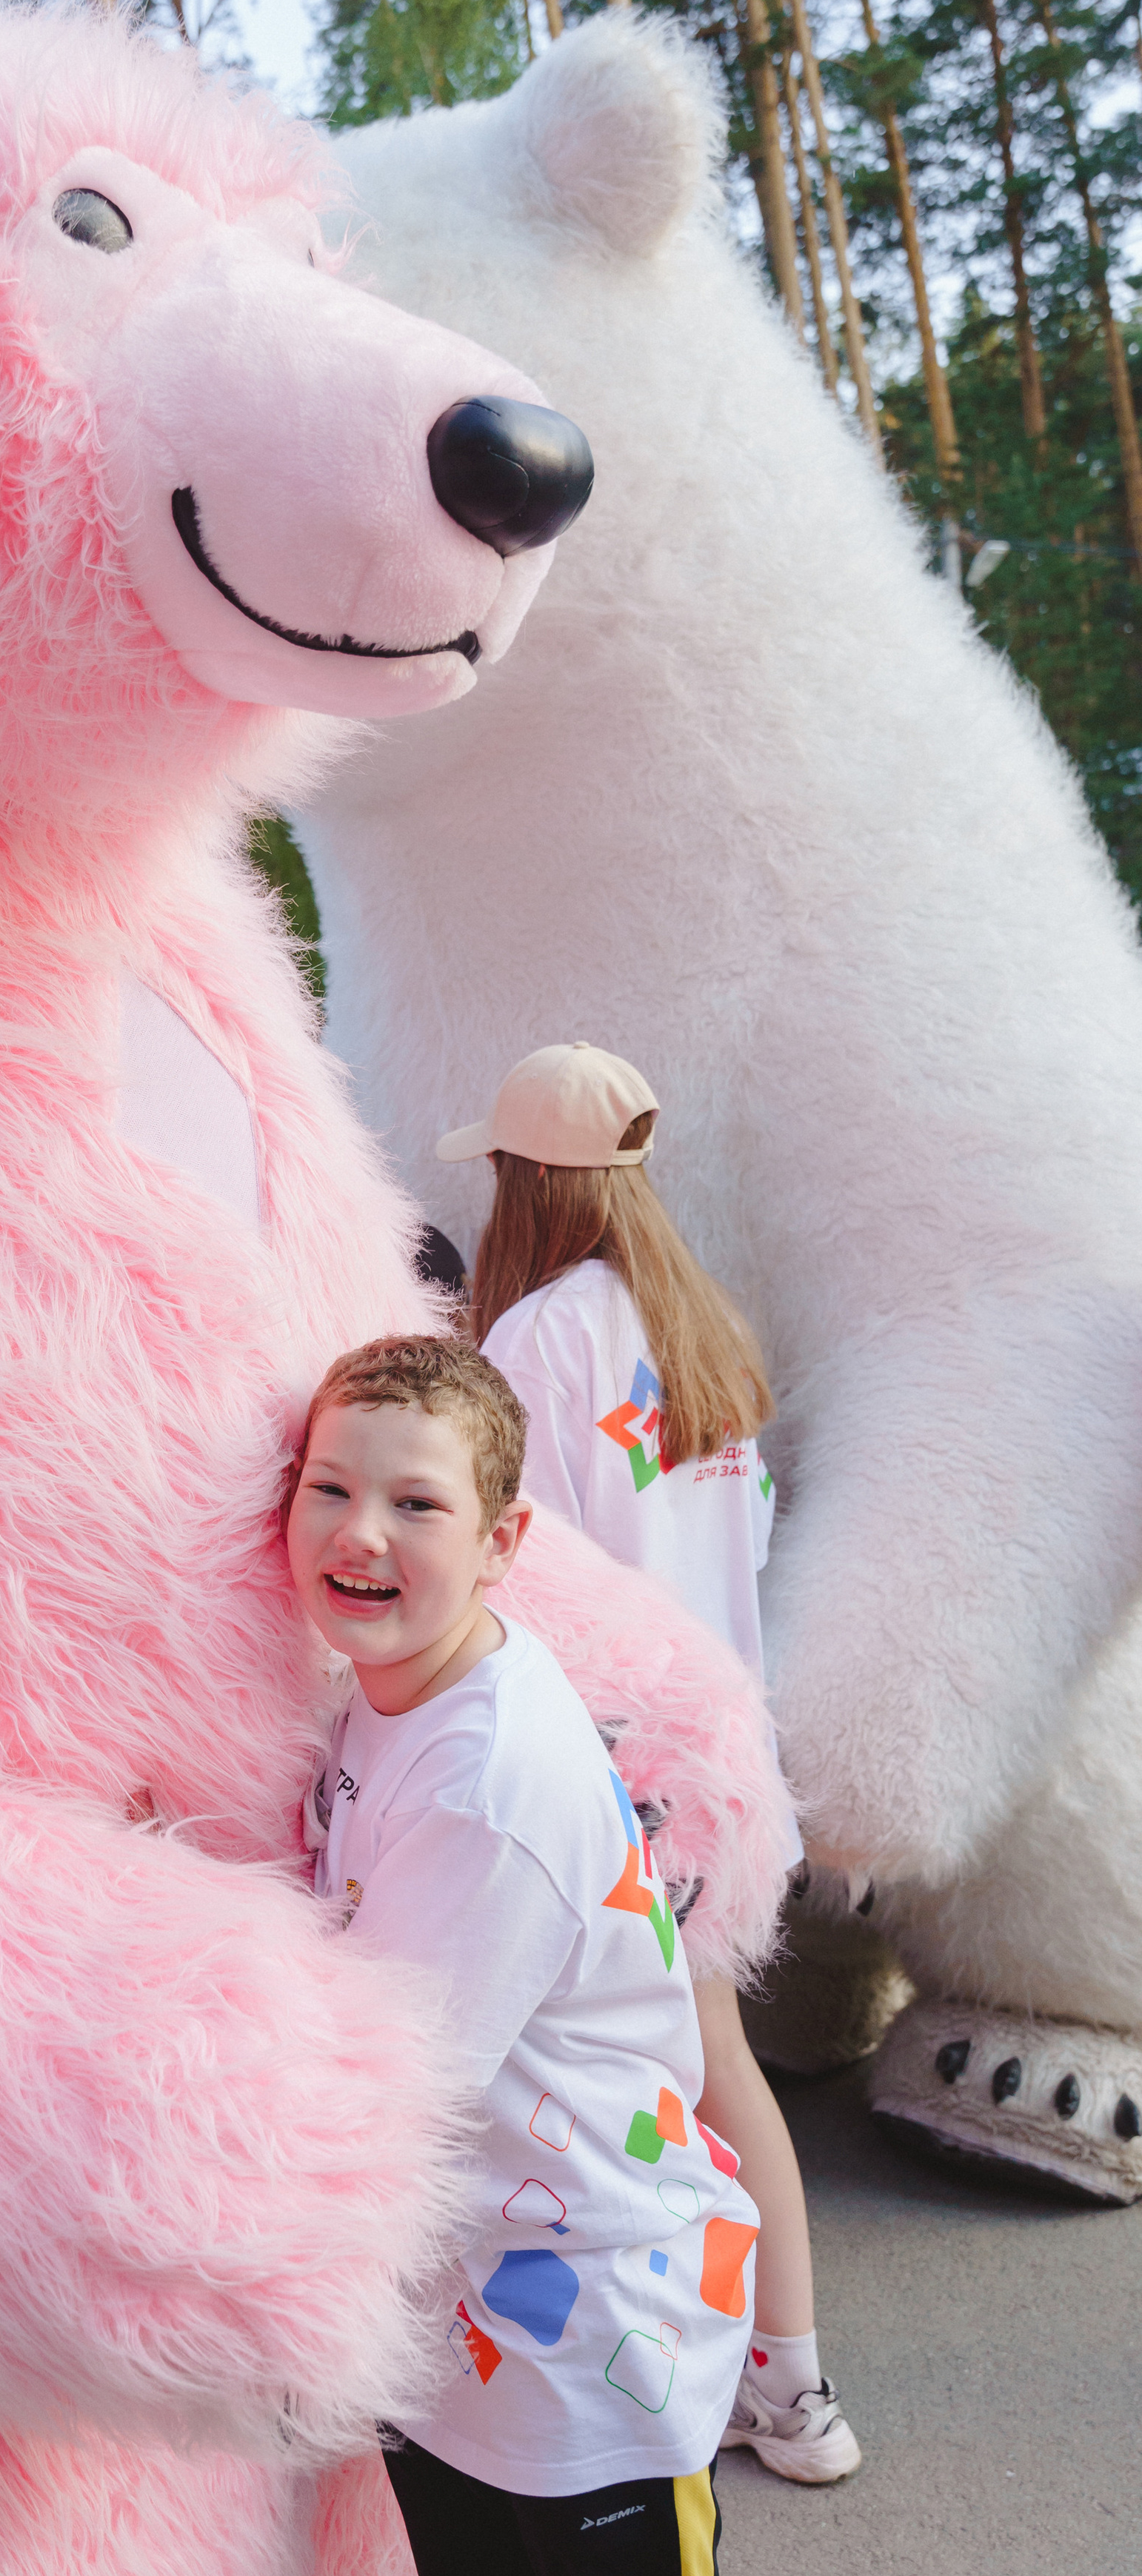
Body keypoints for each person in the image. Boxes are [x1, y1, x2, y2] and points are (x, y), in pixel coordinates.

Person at [284, 1336, 946, 2576]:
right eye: (327, 1487)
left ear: (504, 1540)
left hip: (596, 2314)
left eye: (414, 1505)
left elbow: (399, 2086)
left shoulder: (486, 1787)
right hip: (486, 2303)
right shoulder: (391, 1686)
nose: (358, 1532)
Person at [437, 1044, 855, 2490]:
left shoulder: (528, 1341)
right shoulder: (702, 1333)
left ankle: (738, 2388)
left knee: (641, 2089)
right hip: (724, 1749)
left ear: (521, 1182)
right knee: (714, 2071)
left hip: (614, 1757)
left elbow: (513, 1573)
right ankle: (778, 2381)